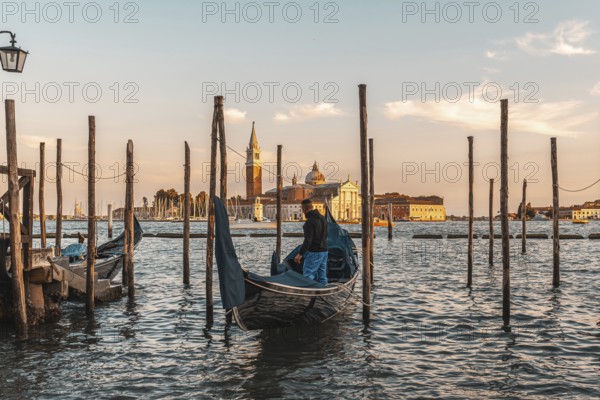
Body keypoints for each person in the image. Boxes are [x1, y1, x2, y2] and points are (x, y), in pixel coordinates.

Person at [294, 199, 328, 286]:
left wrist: (300, 254)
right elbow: (326, 235)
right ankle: (322, 294)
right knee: (322, 277)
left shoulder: (309, 222)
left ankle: (307, 297)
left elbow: (308, 240)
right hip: (324, 251)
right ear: (312, 207)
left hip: (314, 252)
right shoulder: (323, 218)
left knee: (308, 276)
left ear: (304, 209)